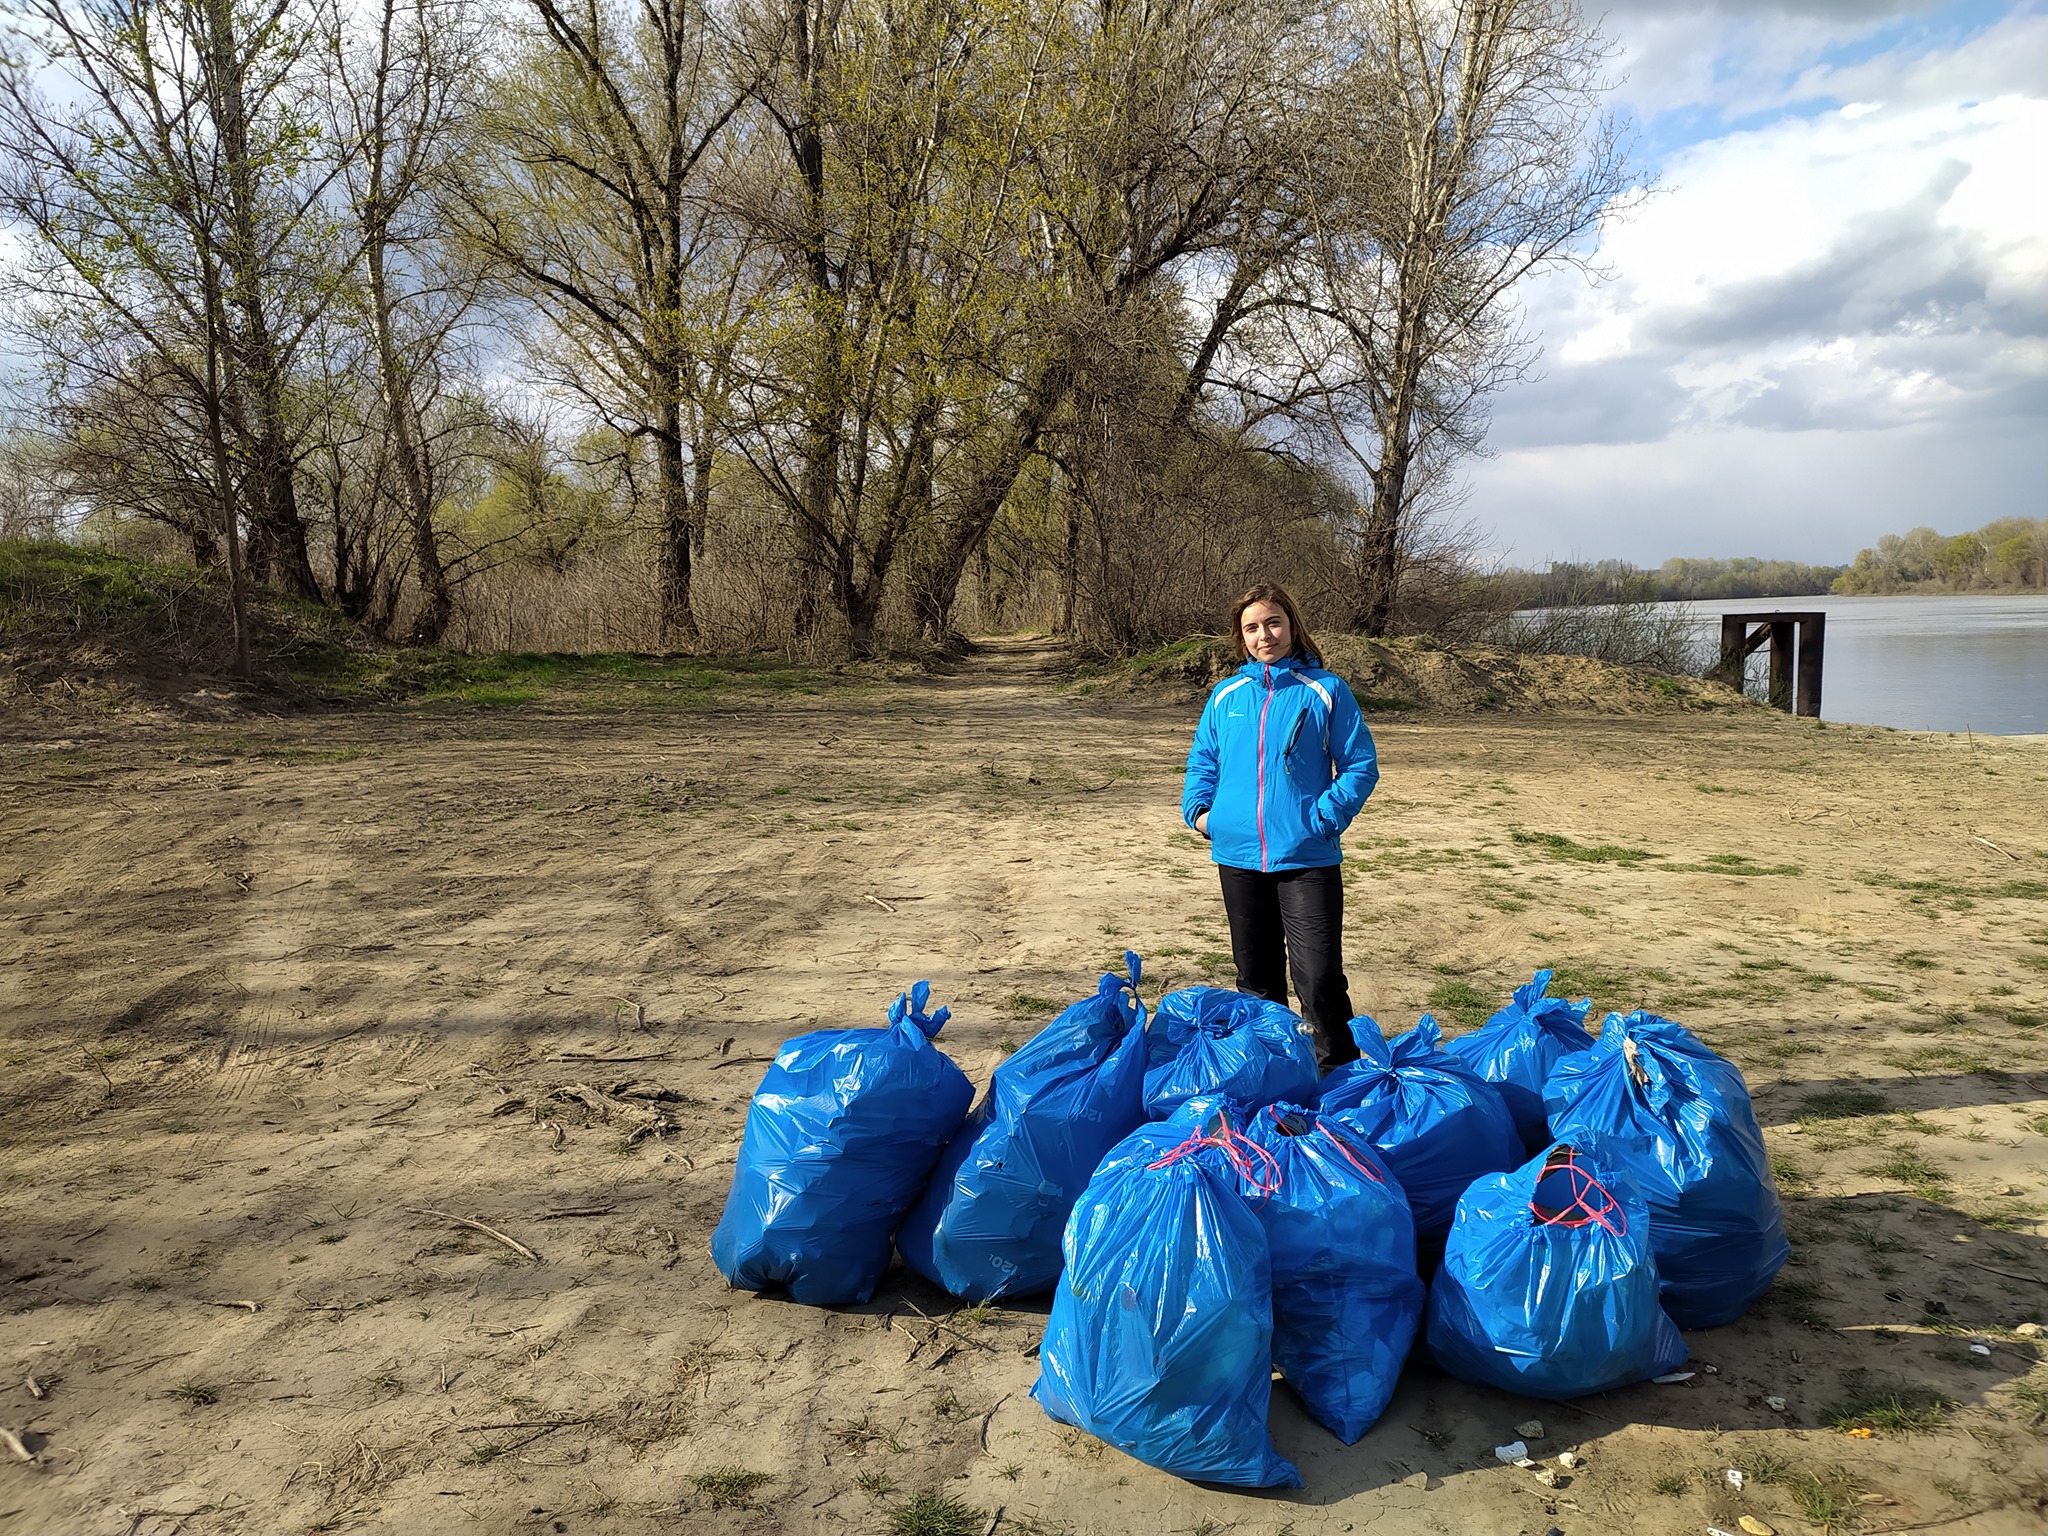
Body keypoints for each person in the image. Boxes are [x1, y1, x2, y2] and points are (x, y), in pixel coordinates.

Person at [1180, 583, 1379, 1071]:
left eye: (1272, 623)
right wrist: (1204, 816)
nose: (1263, 635)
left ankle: (1337, 1078)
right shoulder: (1227, 694)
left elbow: (1359, 765)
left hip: (1306, 856)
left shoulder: (1325, 690)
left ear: (1291, 625)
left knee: (1318, 979)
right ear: (1241, 637)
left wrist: (1322, 818)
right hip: (1237, 856)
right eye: (1251, 627)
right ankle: (1272, 1072)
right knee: (1256, 980)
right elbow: (1203, 761)